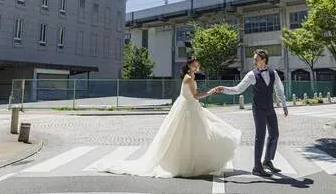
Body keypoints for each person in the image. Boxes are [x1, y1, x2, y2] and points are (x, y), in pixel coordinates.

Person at [99, 57, 241, 178]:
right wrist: (211, 92)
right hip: (188, 108)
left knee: (192, 135)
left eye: (198, 64)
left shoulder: (191, 76)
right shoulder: (189, 78)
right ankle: (185, 163)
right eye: (194, 64)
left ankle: (192, 162)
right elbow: (196, 95)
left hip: (189, 106)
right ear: (189, 66)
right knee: (189, 135)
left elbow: (193, 95)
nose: (197, 66)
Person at [216, 49, 288, 177]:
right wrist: (223, 89)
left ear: (264, 60)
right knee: (260, 136)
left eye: (256, 59)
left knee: (274, 134)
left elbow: (279, 89)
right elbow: (238, 89)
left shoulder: (274, 73)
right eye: (254, 59)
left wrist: (284, 105)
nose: (254, 62)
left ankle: (267, 161)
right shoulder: (251, 75)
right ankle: (257, 167)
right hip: (258, 109)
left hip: (270, 108)